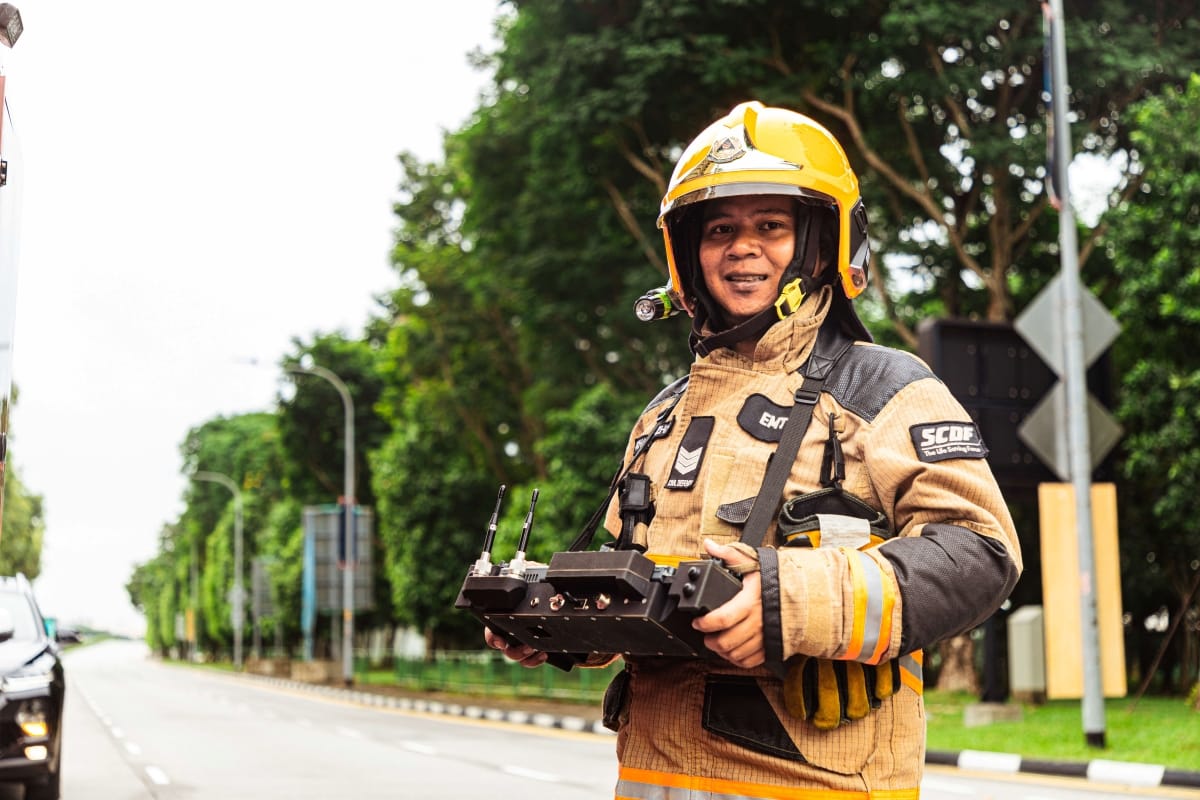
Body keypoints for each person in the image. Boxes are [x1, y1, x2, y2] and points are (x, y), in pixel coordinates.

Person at [486, 101, 1022, 800]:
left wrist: (791, 600)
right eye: (720, 230)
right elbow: (637, 594)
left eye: (770, 226)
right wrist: (555, 626)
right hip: (648, 778)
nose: (742, 247)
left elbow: (983, 552)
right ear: (688, 252)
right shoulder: (662, 415)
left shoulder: (884, 388)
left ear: (819, 243)